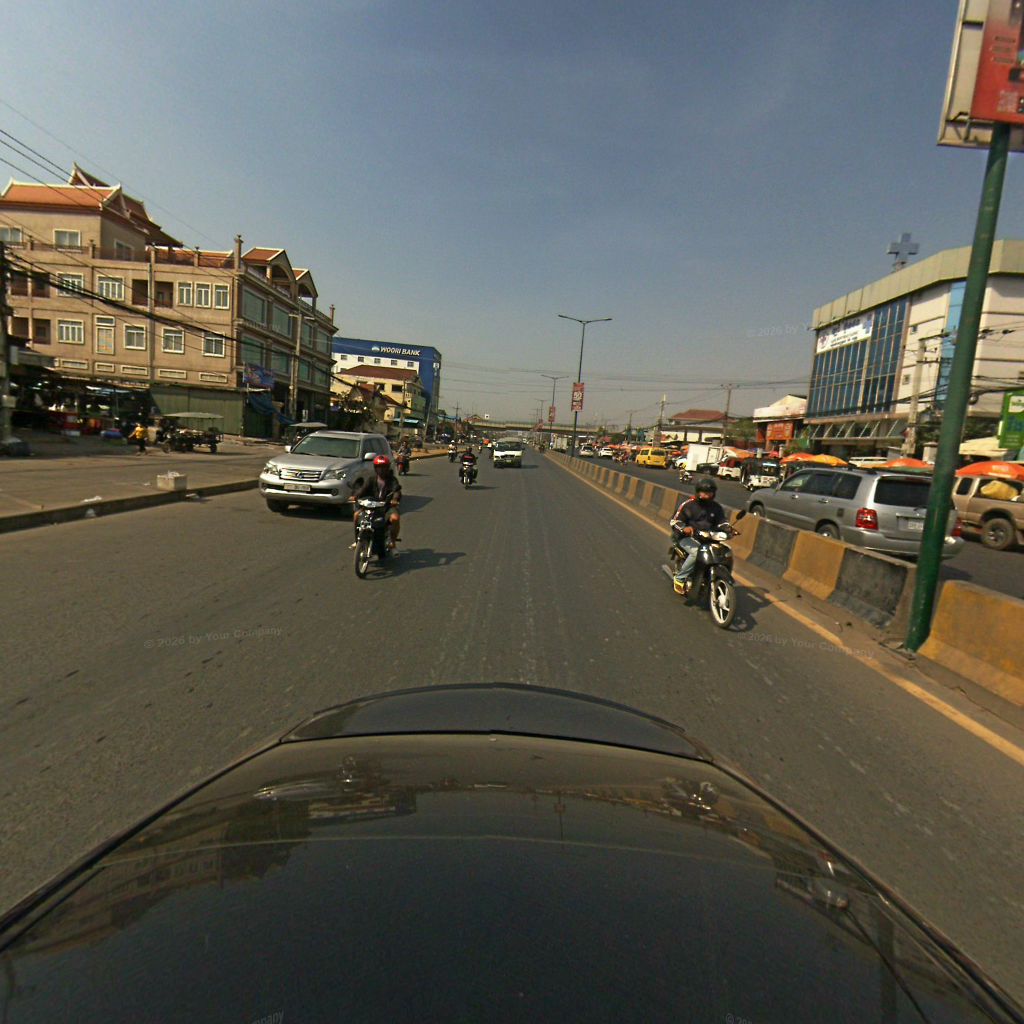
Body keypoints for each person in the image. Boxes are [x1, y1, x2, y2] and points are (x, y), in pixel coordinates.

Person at [670, 476, 727, 594]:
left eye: (709, 493)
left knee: (726, 552)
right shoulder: (688, 505)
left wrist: (728, 528)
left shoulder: (716, 508)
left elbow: (722, 522)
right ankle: (680, 579)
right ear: (698, 492)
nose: (706, 495)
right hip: (686, 538)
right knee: (696, 552)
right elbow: (675, 521)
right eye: (703, 493)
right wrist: (684, 528)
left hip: (707, 538)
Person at [351, 455, 402, 549]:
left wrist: (394, 499)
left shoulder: (392, 480)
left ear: (387, 468)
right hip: (371, 506)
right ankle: (357, 540)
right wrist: (355, 496)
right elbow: (362, 490)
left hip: (387, 507)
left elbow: (396, 491)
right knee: (356, 515)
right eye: (379, 467)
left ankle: (392, 542)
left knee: (395, 518)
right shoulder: (371, 479)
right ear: (375, 468)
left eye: (383, 467)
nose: (381, 470)